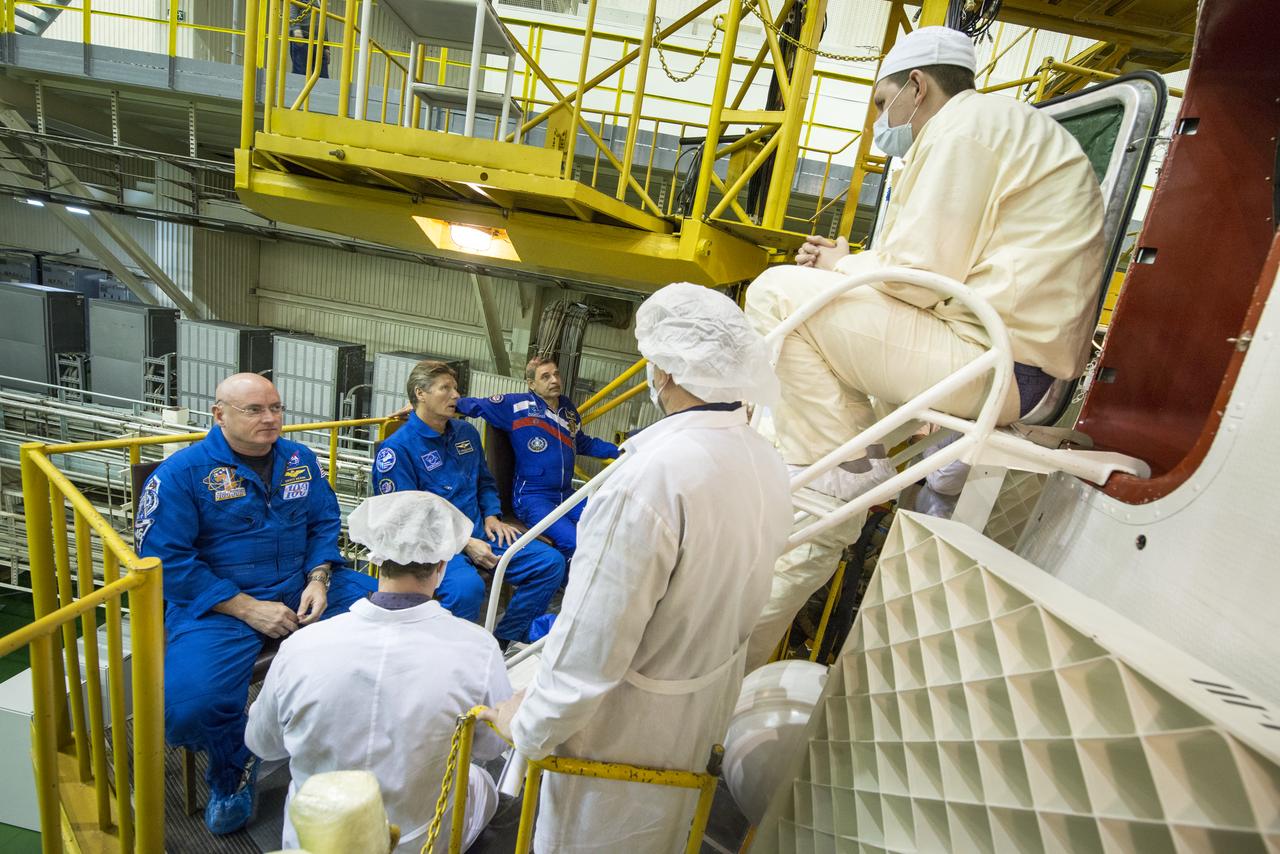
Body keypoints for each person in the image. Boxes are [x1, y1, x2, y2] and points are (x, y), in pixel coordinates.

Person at [742, 25, 1105, 669]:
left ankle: (835, 480)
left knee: (775, 292)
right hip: (1005, 359)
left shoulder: (965, 130)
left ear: (917, 86)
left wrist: (840, 267)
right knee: (806, 318)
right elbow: (933, 272)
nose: (884, 121)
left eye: (884, 104)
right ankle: (834, 464)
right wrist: (852, 266)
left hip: (997, 367)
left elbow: (912, 278)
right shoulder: (995, 127)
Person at [480, 283, 793, 854]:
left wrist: (526, 726)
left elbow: (591, 643)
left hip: (621, 734)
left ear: (669, 372)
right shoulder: (763, 460)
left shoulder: (651, 476)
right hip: (696, 712)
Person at [136, 373, 377, 834]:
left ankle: (343, 731)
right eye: (254, 410)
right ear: (219, 414)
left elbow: (325, 523)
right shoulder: (181, 475)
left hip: (301, 585)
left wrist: (320, 577)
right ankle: (233, 770)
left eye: (276, 408)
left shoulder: (300, 460)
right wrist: (246, 607)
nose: (270, 419)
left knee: (391, 617)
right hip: (219, 606)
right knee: (190, 709)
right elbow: (166, 561)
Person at [246, 490, 511, 854]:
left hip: (316, 841)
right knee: (481, 779)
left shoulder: (303, 647)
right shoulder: (478, 649)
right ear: (442, 565)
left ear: (376, 558)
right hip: (422, 840)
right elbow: (491, 743)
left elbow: (263, 744)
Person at [374, 360, 566, 646]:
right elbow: (407, 518)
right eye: (446, 388)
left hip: (480, 529)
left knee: (549, 563)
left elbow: (485, 482)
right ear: (421, 394)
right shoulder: (398, 449)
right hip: (435, 545)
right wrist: (464, 543)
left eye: (456, 388)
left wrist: (492, 515)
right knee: (466, 589)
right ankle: (445, 654)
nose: (456, 396)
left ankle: (503, 640)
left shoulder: (466, 434)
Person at [456, 357, 619, 563]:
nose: (554, 380)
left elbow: (581, 442)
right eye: (546, 376)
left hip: (567, 495)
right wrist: (431, 405)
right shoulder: (516, 406)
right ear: (531, 384)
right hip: (533, 497)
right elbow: (475, 405)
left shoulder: (567, 409)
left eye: (556, 374)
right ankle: (570, 586)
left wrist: (619, 451)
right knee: (577, 542)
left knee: (608, 525)